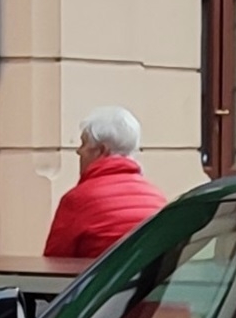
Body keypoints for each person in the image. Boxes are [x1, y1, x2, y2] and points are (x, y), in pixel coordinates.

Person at [42, 107, 166, 259]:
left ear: (101, 150)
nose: (78, 152)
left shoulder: (78, 200)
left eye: (83, 144)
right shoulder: (156, 197)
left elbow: (55, 262)